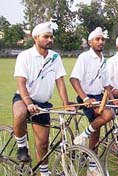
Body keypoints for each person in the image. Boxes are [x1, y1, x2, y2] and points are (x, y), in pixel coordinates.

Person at [13, 22, 73, 176]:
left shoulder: (55, 57)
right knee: (20, 113)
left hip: (43, 104)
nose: (50, 39)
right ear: (35, 38)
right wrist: (29, 103)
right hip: (24, 97)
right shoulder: (24, 56)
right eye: (46, 37)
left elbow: (60, 81)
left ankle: (44, 174)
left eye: (51, 37)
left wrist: (66, 104)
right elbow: (21, 82)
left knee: (43, 144)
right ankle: (22, 147)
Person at [70, 27, 118, 174]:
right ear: (90, 42)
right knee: (108, 115)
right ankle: (83, 136)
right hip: (87, 97)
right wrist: (85, 98)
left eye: (102, 39)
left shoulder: (103, 60)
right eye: (97, 39)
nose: (100, 42)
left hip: (100, 97)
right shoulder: (84, 57)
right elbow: (74, 79)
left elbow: (106, 84)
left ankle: (92, 168)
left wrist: (113, 100)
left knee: (97, 132)